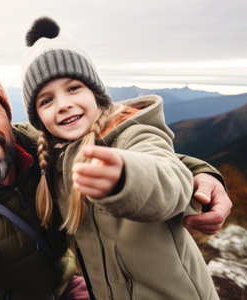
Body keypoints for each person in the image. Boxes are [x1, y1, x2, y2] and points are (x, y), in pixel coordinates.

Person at [0, 52, 230, 299]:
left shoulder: (44, 147)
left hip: (70, 287)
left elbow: (141, 153)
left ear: (8, 114)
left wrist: (200, 171)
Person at [20, 17, 220, 299]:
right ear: (38, 118)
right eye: (46, 100)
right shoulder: (55, 156)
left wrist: (126, 178)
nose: (63, 104)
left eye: (74, 87)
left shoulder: (134, 135)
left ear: (96, 92)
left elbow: (169, 180)